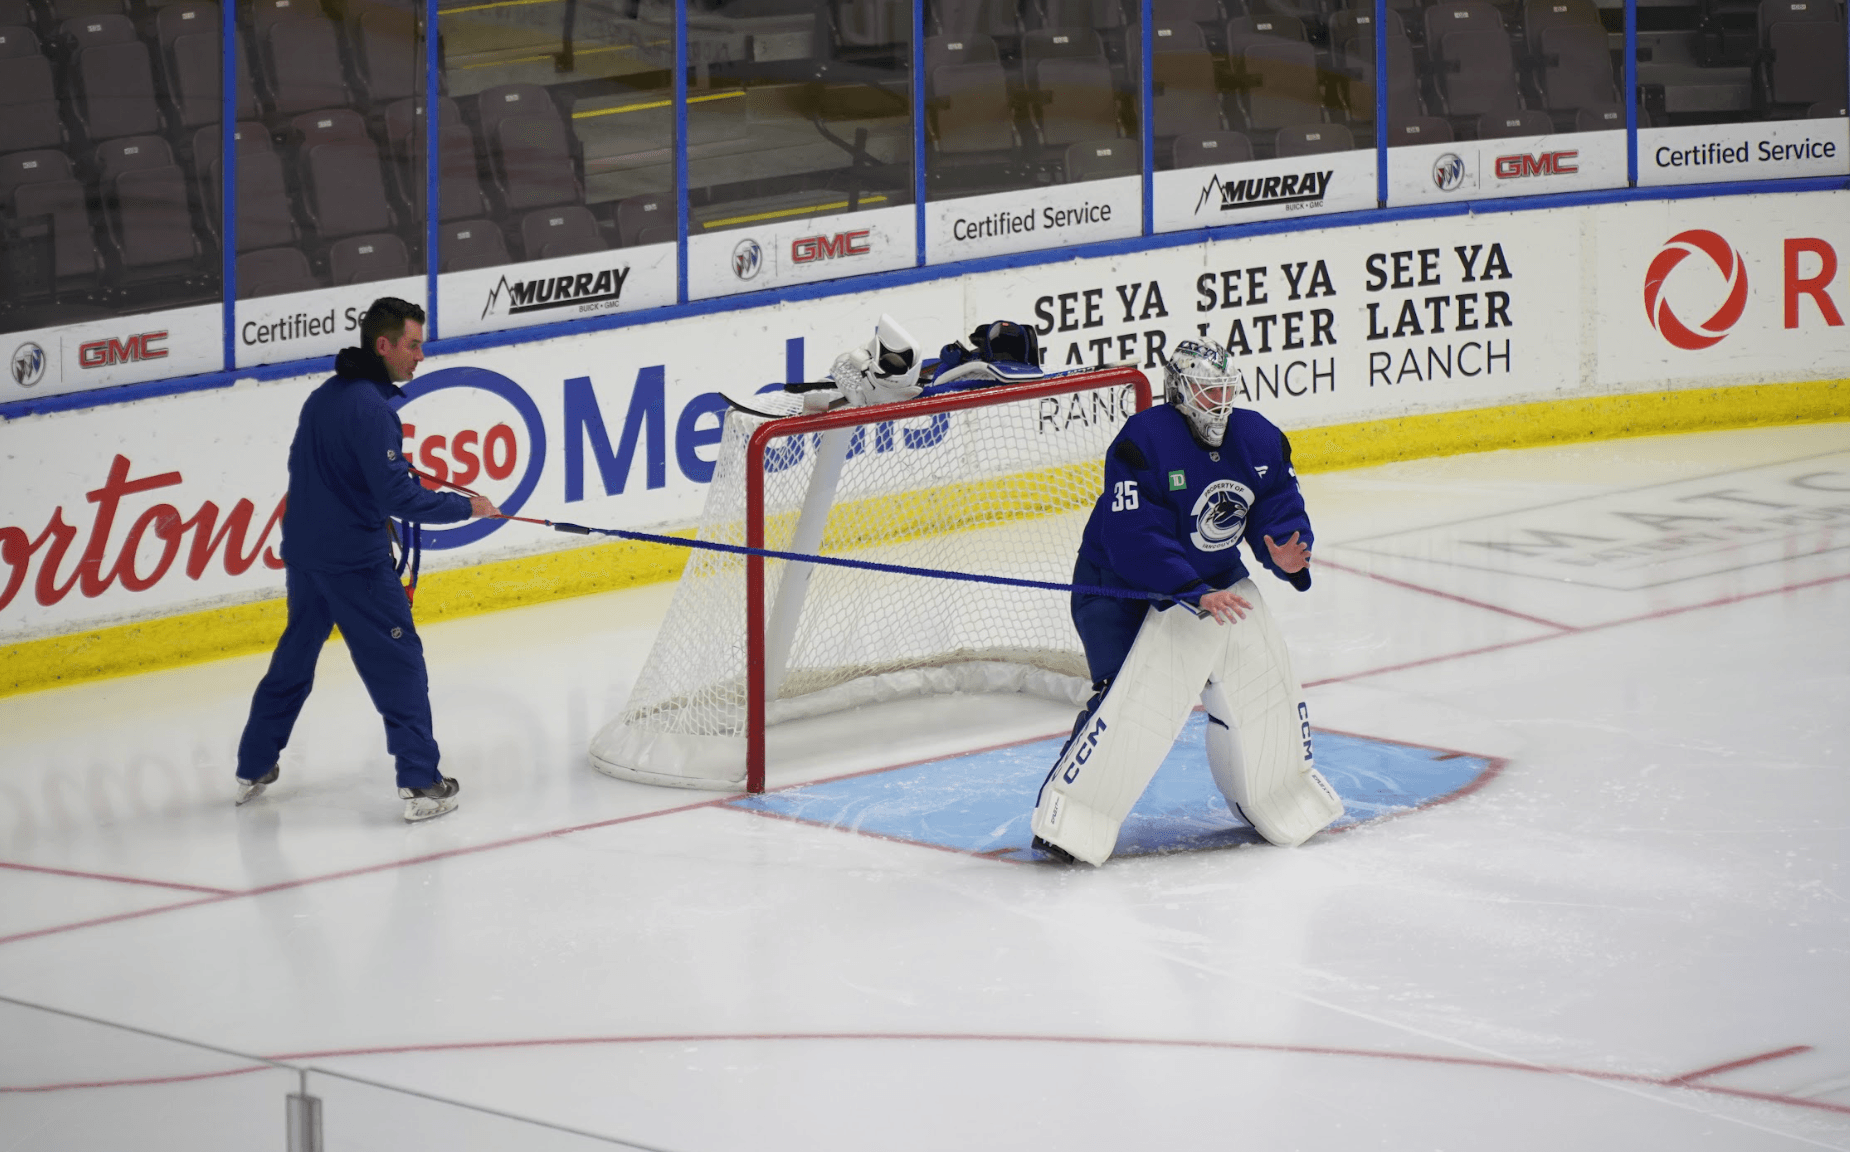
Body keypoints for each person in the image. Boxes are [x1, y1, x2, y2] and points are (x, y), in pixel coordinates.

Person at [1028, 338, 1341, 864]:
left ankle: (1279, 793)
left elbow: (1276, 507)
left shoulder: (1259, 438)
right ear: (1179, 389)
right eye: (1205, 388)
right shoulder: (1143, 442)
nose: (1217, 400)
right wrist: (1191, 591)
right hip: (1119, 589)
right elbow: (1135, 538)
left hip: (1215, 583)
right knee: (1127, 697)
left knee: (1259, 681)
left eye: (1224, 389)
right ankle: (1070, 816)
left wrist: (1287, 550)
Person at [234, 298, 499, 823]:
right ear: (384, 345)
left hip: (306, 556)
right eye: (413, 344)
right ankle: (422, 783)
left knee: (294, 659)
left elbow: (318, 474)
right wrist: (465, 506)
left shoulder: (324, 398)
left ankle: (253, 764)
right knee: (399, 665)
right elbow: (396, 497)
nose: (421, 356)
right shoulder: (372, 410)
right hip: (353, 562)